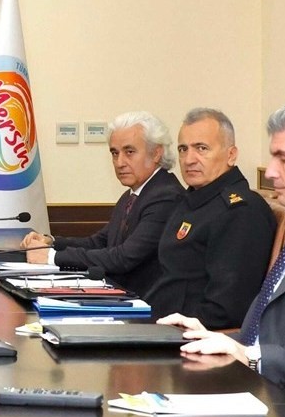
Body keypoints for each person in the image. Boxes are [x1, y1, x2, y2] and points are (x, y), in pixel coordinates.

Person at [160, 97, 285, 399]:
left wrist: (254, 357)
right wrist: (208, 335)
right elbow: (267, 329)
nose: (270, 172)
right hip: (255, 384)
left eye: (283, 159)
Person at [21, 111, 183, 295]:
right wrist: (52, 242)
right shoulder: (132, 195)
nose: (119, 162)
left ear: (156, 153)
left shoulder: (165, 197)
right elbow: (100, 242)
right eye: (115, 153)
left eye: (129, 152)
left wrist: (53, 257)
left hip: (146, 303)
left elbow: (124, 257)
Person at [144, 108, 275, 327]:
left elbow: (226, 309)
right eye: (183, 149)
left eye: (201, 148)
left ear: (231, 155)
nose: (189, 159)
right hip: (156, 322)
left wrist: (167, 328)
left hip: (184, 335)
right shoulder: (194, 199)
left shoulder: (240, 212)